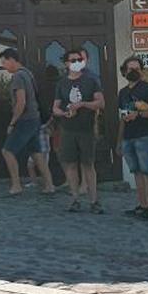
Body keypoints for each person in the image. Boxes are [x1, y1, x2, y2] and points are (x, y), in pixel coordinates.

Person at [54, 48, 105, 213]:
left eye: (79, 59)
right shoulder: (61, 82)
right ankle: (74, 198)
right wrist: (62, 113)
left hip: (86, 129)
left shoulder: (91, 80)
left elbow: (100, 103)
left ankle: (94, 200)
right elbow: (55, 106)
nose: (77, 62)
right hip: (68, 129)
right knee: (70, 165)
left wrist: (83, 104)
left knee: (88, 165)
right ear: (66, 63)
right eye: (73, 60)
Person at [0, 48, 54, 196]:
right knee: (36, 153)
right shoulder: (28, 73)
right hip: (34, 118)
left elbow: (21, 102)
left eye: (4, 62)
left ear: (11, 59)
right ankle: (49, 185)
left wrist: (12, 122)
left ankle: (16, 185)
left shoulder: (18, 77)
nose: (3, 66)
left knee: (7, 151)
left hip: (25, 120)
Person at [116, 56, 148, 219]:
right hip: (128, 136)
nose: (133, 71)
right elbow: (121, 118)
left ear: (141, 71)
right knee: (137, 172)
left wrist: (139, 114)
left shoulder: (147, 88)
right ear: (124, 71)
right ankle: (142, 205)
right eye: (130, 69)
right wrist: (119, 141)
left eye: (136, 68)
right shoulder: (123, 93)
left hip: (143, 135)